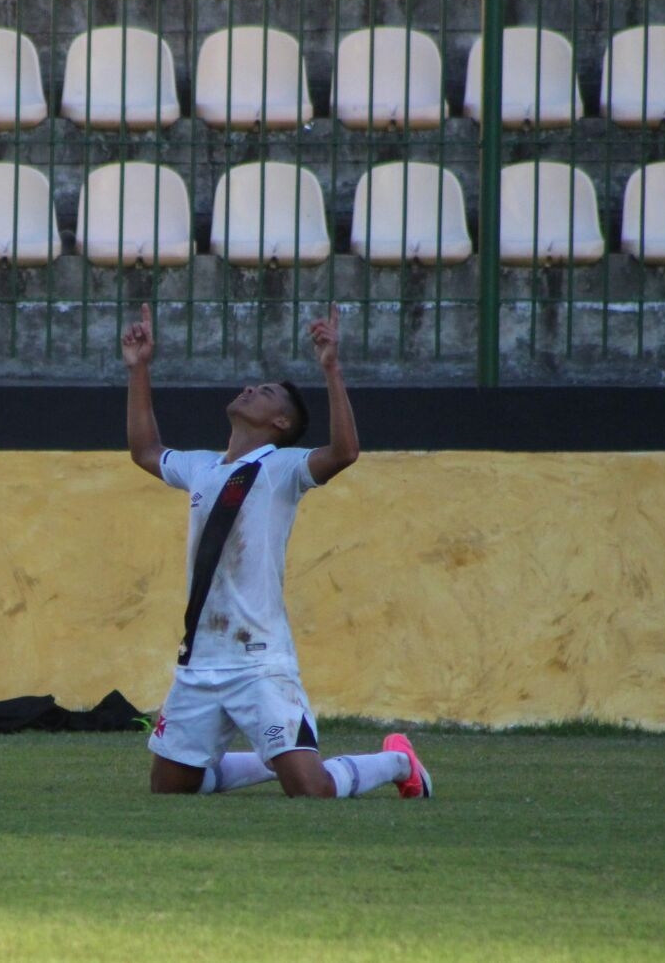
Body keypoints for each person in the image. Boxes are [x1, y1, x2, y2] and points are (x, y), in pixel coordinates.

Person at [121, 302, 433, 800]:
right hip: (199, 662)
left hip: (259, 661)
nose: (249, 389)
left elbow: (344, 453)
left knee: (311, 791)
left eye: (264, 393)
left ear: (282, 422)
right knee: (170, 787)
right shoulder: (202, 467)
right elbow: (144, 451)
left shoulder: (282, 468)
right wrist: (139, 369)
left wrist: (332, 369)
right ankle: (275, 761)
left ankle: (398, 760)